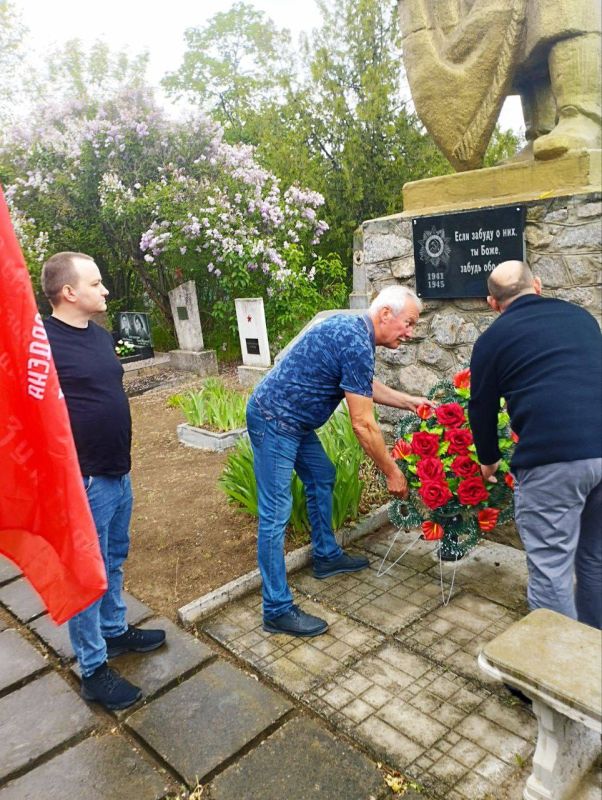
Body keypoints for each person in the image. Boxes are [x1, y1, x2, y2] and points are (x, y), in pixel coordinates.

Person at [247, 286, 432, 637]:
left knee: (322, 475)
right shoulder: (355, 339)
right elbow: (363, 424)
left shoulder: (354, 334)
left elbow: (362, 382)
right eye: (408, 324)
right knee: (275, 514)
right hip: (274, 419)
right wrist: (392, 471)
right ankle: (276, 608)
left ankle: (326, 556)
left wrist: (408, 401)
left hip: (293, 421)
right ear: (385, 315)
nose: (409, 333)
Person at [42, 252, 166, 709]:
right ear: (69, 291)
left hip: (117, 470)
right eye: (96, 284)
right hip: (84, 480)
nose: (106, 291)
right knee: (84, 575)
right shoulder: (42, 343)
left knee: (114, 558)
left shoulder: (97, 336)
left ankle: (114, 632)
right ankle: (93, 668)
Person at [468, 260, 602, 629]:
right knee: (595, 561)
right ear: (538, 285)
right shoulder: (582, 319)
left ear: (492, 303)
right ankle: (592, 656)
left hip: (552, 462)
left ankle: (552, 676)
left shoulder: (492, 340)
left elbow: (480, 407)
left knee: (551, 570)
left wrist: (489, 461)